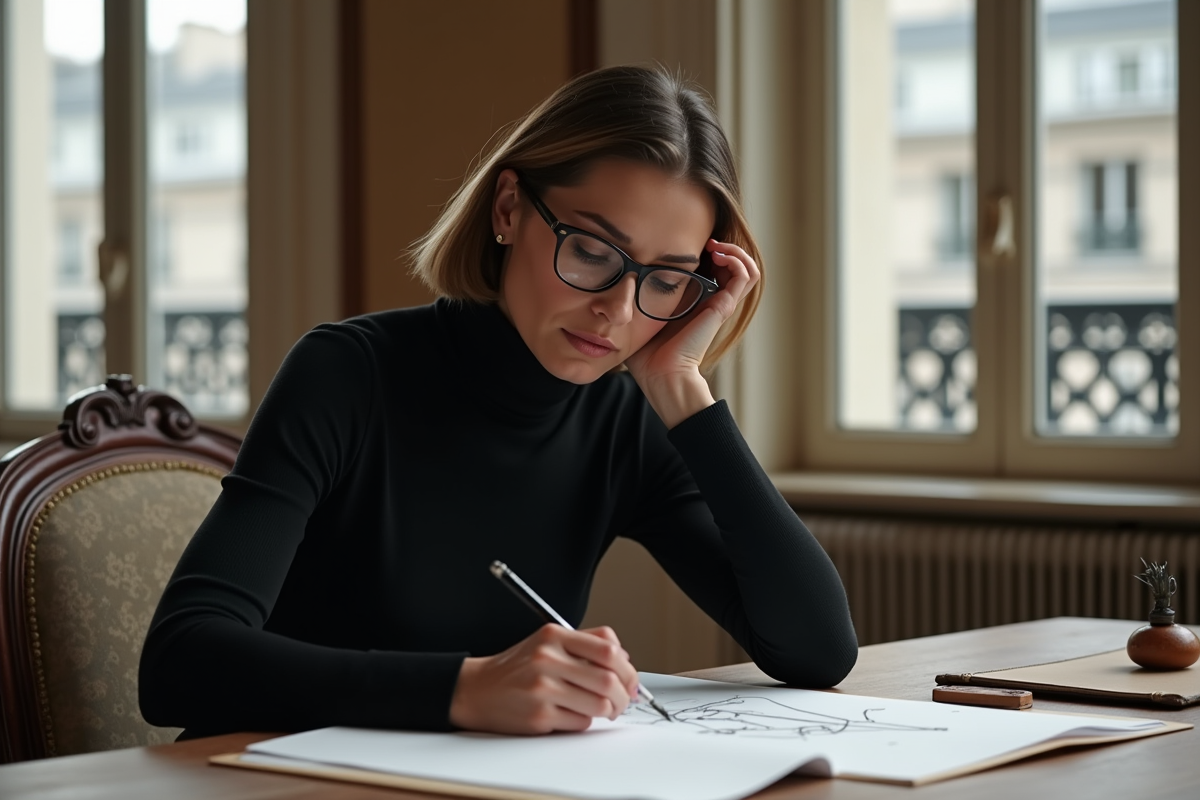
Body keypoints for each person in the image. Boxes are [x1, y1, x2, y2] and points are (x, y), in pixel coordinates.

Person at [139, 65, 857, 739]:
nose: (617, 308)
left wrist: (680, 386)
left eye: (664, 280)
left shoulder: (623, 421)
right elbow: (180, 663)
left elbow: (817, 650)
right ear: (509, 207)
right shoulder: (346, 375)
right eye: (592, 250)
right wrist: (464, 690)